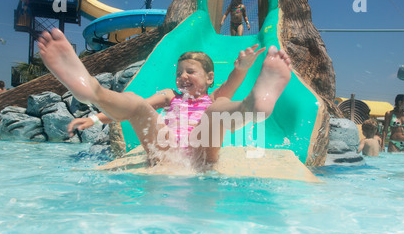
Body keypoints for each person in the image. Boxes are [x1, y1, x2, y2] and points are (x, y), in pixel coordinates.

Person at [38, 28, 292, 168]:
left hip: (203, 152)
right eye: (179, 73)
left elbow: (232, 83)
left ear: (209, 78)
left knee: (217, 111)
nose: (183, 77)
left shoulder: (213, 96)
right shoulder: (170, 97)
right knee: (137, 103)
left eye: (190, 72)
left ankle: (255, 104)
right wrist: (94, 119)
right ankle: (94, 91)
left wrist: (243, 67)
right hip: (166, 151)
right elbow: (130, 111)